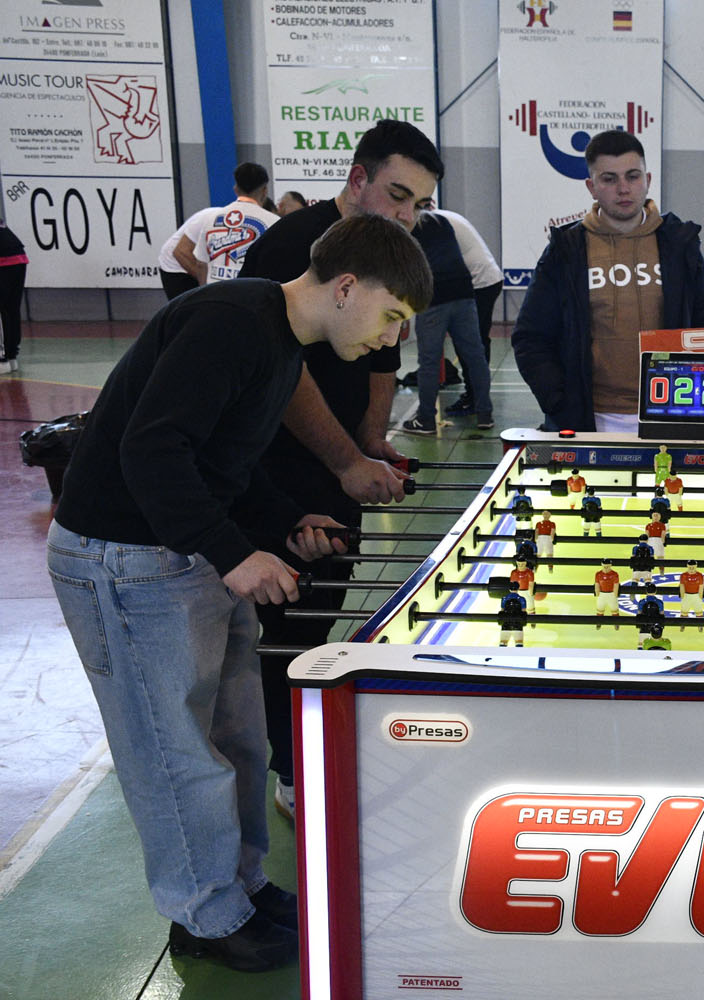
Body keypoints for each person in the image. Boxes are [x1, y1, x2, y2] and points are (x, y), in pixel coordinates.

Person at [46, 213, 430, 972]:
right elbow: (153, 450)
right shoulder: (229, 324)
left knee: (238, 739)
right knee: (174, 751)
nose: (390, 342)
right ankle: (206, 917)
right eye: (391, 317)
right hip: (122, 559)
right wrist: (234, 554)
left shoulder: (280, 341)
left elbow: (226, 458)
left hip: (179, 554)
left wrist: (285, 523)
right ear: (347, 286)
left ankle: (241, 888)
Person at [238, 119, 443, 820]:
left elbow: (384, 361)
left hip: (337, 468)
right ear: (357, 179)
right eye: (397, 194)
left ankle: (307, 747)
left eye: (420, 203)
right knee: (289, 623)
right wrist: (346, 459)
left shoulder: (389, 254)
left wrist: (373, 444)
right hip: (279, 470)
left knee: (323, 612)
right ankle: (290, 771)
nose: (408, 215)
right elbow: (283, 376)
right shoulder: (295, 248)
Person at [512, 129, 704, 433]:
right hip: (590, 420)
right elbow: (531, 338)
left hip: (670, 415)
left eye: (632, 176)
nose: (623, 189)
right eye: (609, 179)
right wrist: (560, 402)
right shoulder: (566, 250)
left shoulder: (679, 245)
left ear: (648, 180)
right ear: (592, 186)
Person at [400, 209, 493, 434]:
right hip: (463, 291)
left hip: (434, 296)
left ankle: (426, 419)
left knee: (429, 362)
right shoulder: (440, 220)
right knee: (475, 356)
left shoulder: (405, 228)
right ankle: (485, 414)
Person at [435, 207, 502, 418]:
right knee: (475, 343)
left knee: (471, 344)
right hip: (483, 281)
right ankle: (477, 398)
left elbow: (439, 264)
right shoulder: (442, 216)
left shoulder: (434, 223)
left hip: (479, 284)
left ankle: (476, 399)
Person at [195, 162, 281, 283]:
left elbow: (200, 264)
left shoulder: (211, 218)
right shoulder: (274, 222)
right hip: (252, 294)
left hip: (216, 293)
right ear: (265, 190)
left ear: (236, 188)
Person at [157, 205, 217, 298]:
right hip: (175, 265)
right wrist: (206, 284)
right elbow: (179, 252)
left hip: (194, 258)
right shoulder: (210, 217)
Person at [0, 218, 27, 372]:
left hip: (4, 260)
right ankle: (11, 355)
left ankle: (2, 358)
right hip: (19, 257)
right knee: (11, 308)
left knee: (4, 309)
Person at [499, 581, 527, 646]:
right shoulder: (522, 599)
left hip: (506, 623)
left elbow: (502, 610)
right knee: (519, 643)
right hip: (518, 623)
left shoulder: (504, 598)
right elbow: (523, 611)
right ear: (518, 588)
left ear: (509, 589)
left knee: (503, 643)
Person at [679, 559, 704, 624]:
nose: (691, 569)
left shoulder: (700, 575)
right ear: (687, 567)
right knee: (684, 610)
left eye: (693, 568)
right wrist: (682, 596)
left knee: (699, 611)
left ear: (696, 567)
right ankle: (683, 624)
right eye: (690, 568)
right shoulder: (683, 575)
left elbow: (701, 586)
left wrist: (700, 596)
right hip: (686, 595)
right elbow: (682, 586)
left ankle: (700, 624)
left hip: (696, 595)